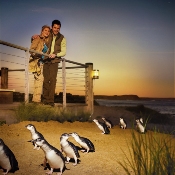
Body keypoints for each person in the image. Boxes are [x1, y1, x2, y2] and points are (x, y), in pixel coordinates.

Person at [29, 25, 50, 103]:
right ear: (42, 31)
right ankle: (37, 100)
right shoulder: (37, 38)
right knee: (40, 80)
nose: (47, 32)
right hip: (36, 62)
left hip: (42, 63)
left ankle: (35, 100)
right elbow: (31, 50)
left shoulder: (47, 42)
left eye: (48, 31)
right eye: (45, 30)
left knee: (38, 81)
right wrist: (39, 53)